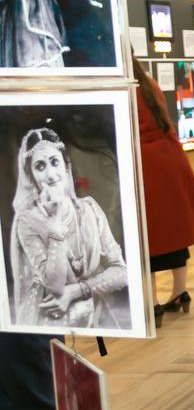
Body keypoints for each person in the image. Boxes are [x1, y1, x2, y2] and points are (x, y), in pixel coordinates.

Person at [11, 128, 129, 329]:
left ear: (67, 167)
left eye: (54, 162)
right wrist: (55, 229)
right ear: (31, 176)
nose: (50, 174)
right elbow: (55, 286)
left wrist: (77, 290)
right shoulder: (27, 221)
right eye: (40, 166)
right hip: (49, 324)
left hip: (93, 318)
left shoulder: (88, 209)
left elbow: (122, 272)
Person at [132, 59, 194, 328]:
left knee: (146, 237)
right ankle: (180, 292)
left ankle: (151, 303)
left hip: (144, 163)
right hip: (169, 157)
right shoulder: (149, 84)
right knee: (175, 232)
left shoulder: (126, 88)